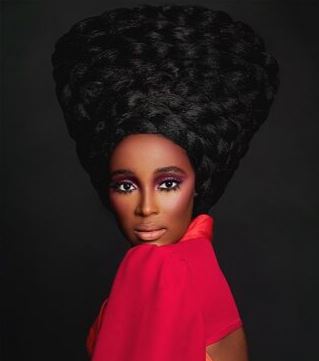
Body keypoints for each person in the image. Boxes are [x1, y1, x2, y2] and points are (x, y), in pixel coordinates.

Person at [51, 4, 279, 361]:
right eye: (126, 185)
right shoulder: (200, 267)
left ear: (199, 184)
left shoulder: (162, 271)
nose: (145, 208)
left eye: (168, 183)